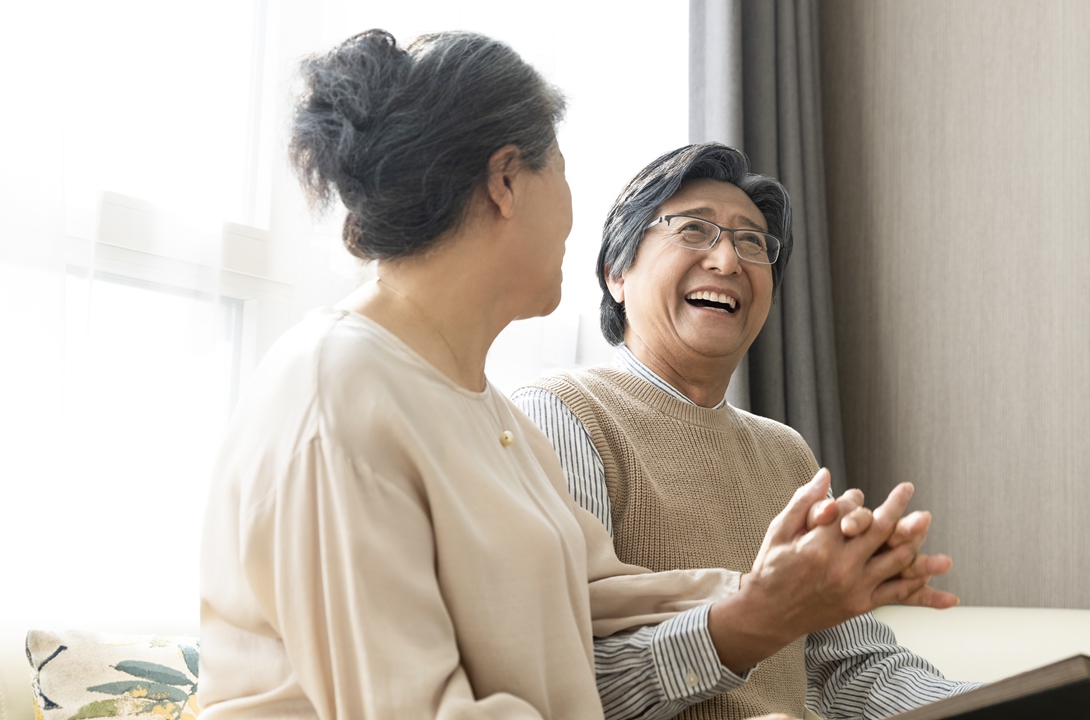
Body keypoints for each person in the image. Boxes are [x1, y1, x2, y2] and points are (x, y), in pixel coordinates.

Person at [198, 30, 950, 720]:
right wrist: (764, 610)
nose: (569, 205)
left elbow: (603, 597)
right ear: (505, 180)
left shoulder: (486, 413)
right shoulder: (338, 390)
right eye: (558, 166)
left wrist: (799, 585)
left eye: (751, 242)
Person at [514, 142, 982, 720]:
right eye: (693, 230)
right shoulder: (560, 414)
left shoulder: (784, 451)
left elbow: (849, 665)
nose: (728, 261)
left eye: (752, 242)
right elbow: (567, 679)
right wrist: (752, 622)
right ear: (617, 273)